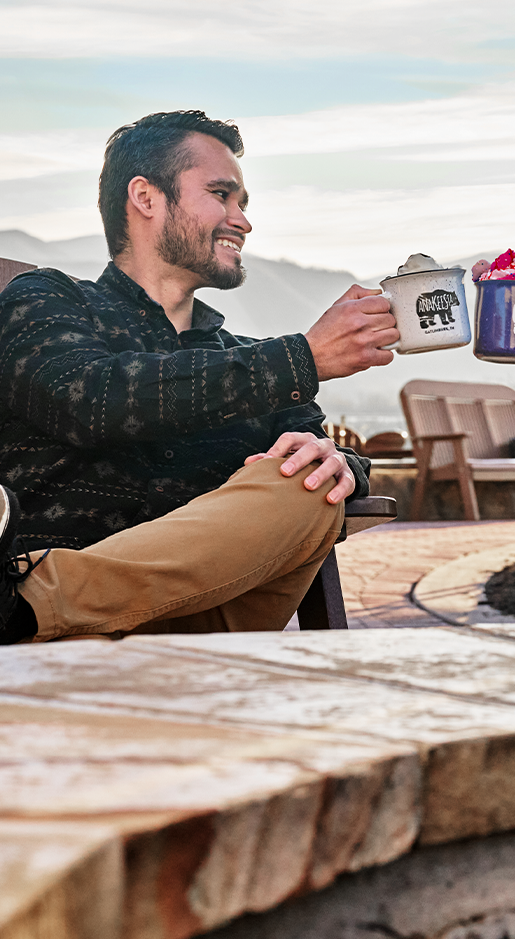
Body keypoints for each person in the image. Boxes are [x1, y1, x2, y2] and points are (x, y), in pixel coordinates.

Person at [0, 110, 398, 643]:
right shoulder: (47, 301)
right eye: (221, 194)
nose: (242, 221)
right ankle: (38, 609)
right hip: (62, 642)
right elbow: (89, 399)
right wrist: (304, 357)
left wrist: (341, 464)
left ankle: (29, 604)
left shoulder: (249, 357)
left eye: (243, 204)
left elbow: (319, 452)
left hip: (199, 631)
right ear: (146, 197)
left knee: (310, 480)